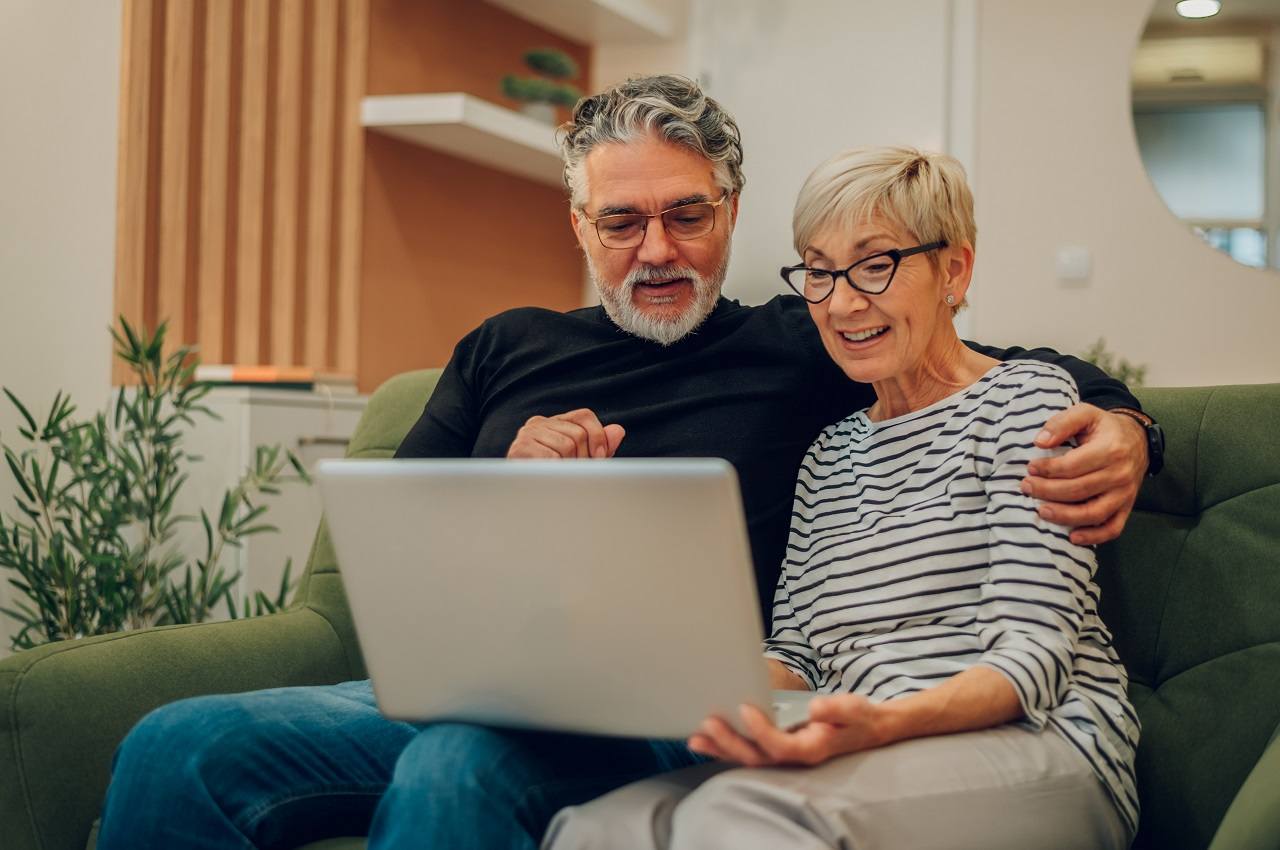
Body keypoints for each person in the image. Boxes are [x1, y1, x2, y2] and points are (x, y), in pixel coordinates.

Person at [96, 77, 1151, 850]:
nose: (656, 249)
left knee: (455, 769)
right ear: (579, 225)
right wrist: (503, 484)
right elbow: (395, 545)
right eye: (622, 220)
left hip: (651, 709)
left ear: (728, 213)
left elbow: (987, 370)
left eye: (686, 215)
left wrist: (1121, 421)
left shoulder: (805, 338)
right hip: (454, 681)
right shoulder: (499, 347)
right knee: (172, 742)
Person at [542, 146, 1138, 850]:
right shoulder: (829, 454)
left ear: (953, 271)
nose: (843, 302)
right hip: (867, 745)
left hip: (1044, 745)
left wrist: (882, 724)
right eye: (819, 272)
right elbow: (795, 653)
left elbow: (1033, 658)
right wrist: (673, 686)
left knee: (737, 816)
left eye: (876, 264)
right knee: (597, 826)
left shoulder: (1026, 402)